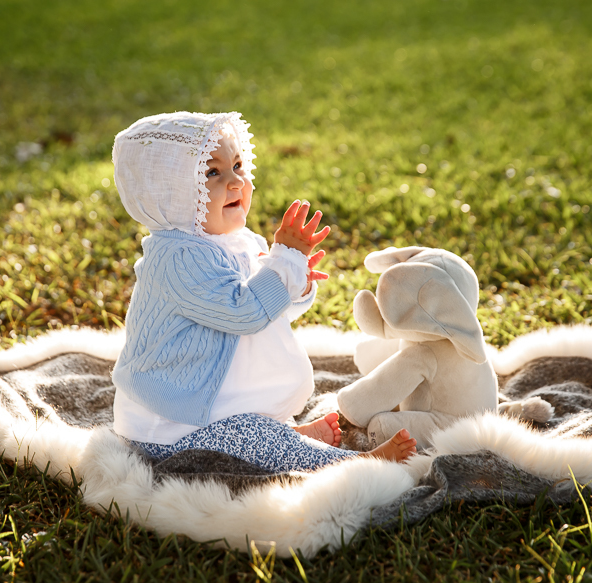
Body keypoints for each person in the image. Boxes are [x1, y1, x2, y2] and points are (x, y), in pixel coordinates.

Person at [111, 111, 417, 473]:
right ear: (170, 193)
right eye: (213, 173)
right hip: (171, 424)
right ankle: (355, 464)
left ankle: (290, 437)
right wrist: (283, 263)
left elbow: (270, 308)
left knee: (251, 428)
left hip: (215, 396)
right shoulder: (177, 259)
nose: (236, 181)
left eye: (238, 165)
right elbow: (244, 312)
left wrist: (296, 284)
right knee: (247, 433)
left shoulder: (239, 242)